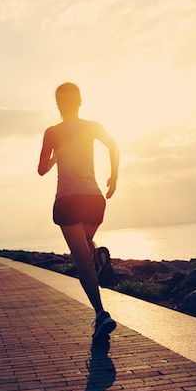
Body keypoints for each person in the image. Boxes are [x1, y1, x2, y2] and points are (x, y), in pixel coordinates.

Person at [38, 82, 120, 342]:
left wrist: (55, 156)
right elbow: (114, 146)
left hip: (68, 199)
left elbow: (41, 169)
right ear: (80, 101)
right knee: (86, 248)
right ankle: (97, 258)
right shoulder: (92, 126)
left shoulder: (52, 132)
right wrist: (114, 177)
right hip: (95, 199)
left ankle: (100, 313)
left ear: (58, 104)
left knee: (81, 261)